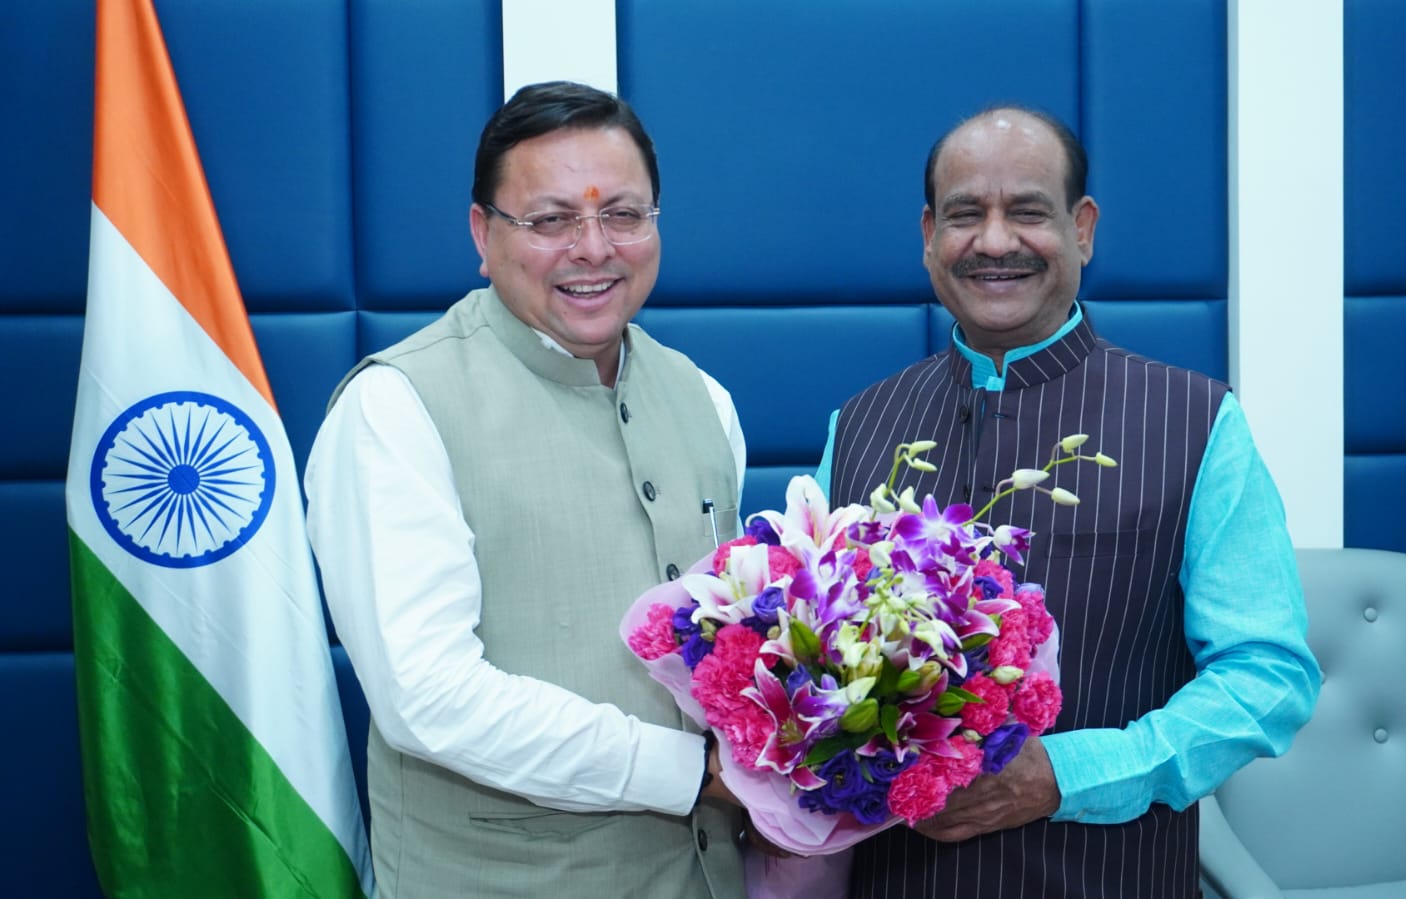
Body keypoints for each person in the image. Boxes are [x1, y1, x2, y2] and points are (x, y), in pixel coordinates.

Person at [819, 106, 1321, 898]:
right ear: (927, 236)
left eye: (1026, 212)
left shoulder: (1195, 420)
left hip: (1108, 874)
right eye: (964, 215)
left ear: (1081, 228)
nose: (992, 242)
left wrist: (1069, 772)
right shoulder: (857, 424)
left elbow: (1267, 674)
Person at [304, 81, 747, 899]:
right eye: (549, 220)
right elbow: (427, 697)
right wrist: (687, 771)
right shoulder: (396, 406)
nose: (592, 247)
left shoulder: (703, 399)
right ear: (482, 232)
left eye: (623, 213)